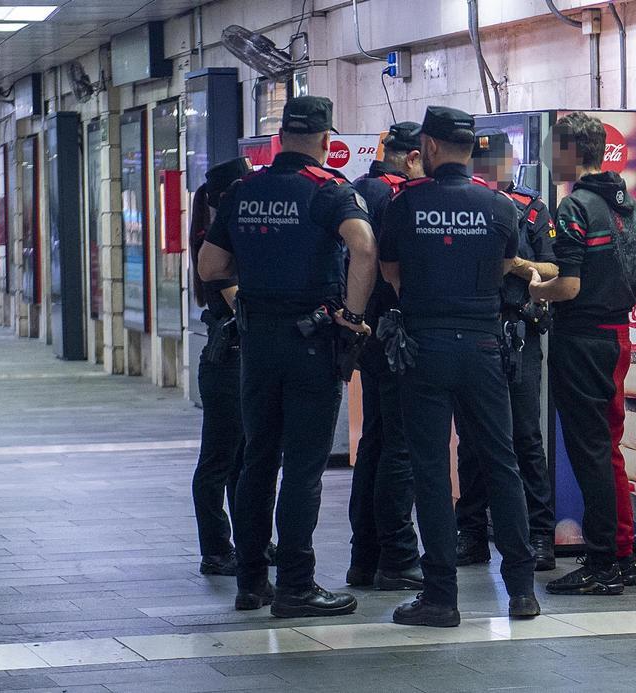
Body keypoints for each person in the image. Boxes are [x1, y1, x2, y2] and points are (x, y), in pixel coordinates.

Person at [197, 95, 377, 618]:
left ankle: (251, 582)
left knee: (257, 460)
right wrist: (353, 314)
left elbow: (210, 266)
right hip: (312, 341)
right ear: (325, 141)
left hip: (257, 342)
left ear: (280, 136)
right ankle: (296, 583)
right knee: (302, 468)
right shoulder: (327, 191)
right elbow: (363, 245)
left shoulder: (244, 190)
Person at [379, 106, 539, 627]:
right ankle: (521, 592)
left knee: (430, 471)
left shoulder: (406, 204)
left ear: (427, 145)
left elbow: (390, 272)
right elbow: (504, 267)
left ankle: (441, 597)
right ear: (472, 151)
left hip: (424, 347)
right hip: (484, 347)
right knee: (502, 463)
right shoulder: (498, 206)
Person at [529, 112, 636, 595]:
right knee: (607, 448)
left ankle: (601, 565)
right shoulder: (635, 209)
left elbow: (569, 285)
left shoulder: (574, 208)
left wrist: (533, 284)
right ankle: (623, 557)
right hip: (619, 338)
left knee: (591, 453)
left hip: (580, 339)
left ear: (570, 152)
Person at [454, 128, 559, 571]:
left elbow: (554, 266)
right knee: (471, 441)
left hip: (517, 331)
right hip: (471, 330)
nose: (488, 171)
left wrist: (515, 264)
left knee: (525, 436)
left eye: (495, 162)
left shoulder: (531, 209)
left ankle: (539, 536)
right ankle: (472, 533)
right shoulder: (458, 205)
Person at [346, 122, 425, 591]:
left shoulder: (358, 190)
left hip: (367, 334)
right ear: (413, 157)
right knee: (399, 446)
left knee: (374, 443)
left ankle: (365, 556)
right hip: (398, 332)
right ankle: (397, 556)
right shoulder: (401, 197)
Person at [190, 156, 277, 577]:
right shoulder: (216, 244)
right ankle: (216, 549)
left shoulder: (224, 236)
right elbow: (240, 301)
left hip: (236, 359)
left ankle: (249, 541)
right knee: (219, 461)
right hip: (226, 362)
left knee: (242, 460)